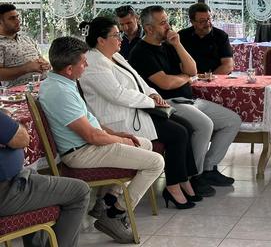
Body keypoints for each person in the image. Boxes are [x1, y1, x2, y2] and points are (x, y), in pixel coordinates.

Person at [38, 36, 164, 244]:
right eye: (83, 62)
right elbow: (91, 136)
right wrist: (119, 141)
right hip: (81, 152)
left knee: (146, 144)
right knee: (156, 162)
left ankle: (107, 200)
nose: (87, 65)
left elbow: (89, 121)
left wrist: (117, 134)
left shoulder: (61, 81)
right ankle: (115, 215)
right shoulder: (60, 92)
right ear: (69, 69)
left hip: (87, 145)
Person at [79, 16, 202, 208]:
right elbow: (117, 94)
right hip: (118, 120)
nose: (120, 38)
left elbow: (138, 79)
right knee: (178, 134)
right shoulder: (93, 63)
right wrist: (151, 102)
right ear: (101, 40)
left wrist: (153, 94)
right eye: (115, 35)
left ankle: (184, 179)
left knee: (187, 126)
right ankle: (173, 186)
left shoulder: (115, 56)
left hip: (135, 111)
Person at [128, 5, 241, 196]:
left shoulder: (168, 45)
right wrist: (186, 78)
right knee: (204, 125)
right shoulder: (141, 52)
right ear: (149, 29)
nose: (168, 26)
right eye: (163, 23)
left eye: (167, 21)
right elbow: (165, 83)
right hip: (167, 103)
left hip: (189, 99)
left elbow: (192, 70)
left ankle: (208, 168)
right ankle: (193, 176)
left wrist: (178, 45)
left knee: (232, 121)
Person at [0, 109, 90, 247]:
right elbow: (22, 138)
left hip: (11, 183)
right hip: (7, 191)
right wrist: (11, 123)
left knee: (35, 178)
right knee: (80, 192)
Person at [0, 3, 50, 87]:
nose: (18, 21)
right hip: (18, 92)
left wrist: (45, 64)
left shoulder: (27, 39)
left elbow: (41, 59)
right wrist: (26, 68)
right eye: (12, 18)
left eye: (17, 17)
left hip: (45, 85)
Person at [179, 3, 234, 74]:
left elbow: (228, 65)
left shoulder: (221, 36)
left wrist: (208, 78)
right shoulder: (182, 36)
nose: (208, 23)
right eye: (202, 21)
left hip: (216, 77)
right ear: (192, 22)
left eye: (209, 19)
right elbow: (177, 64)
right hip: (189, 77)